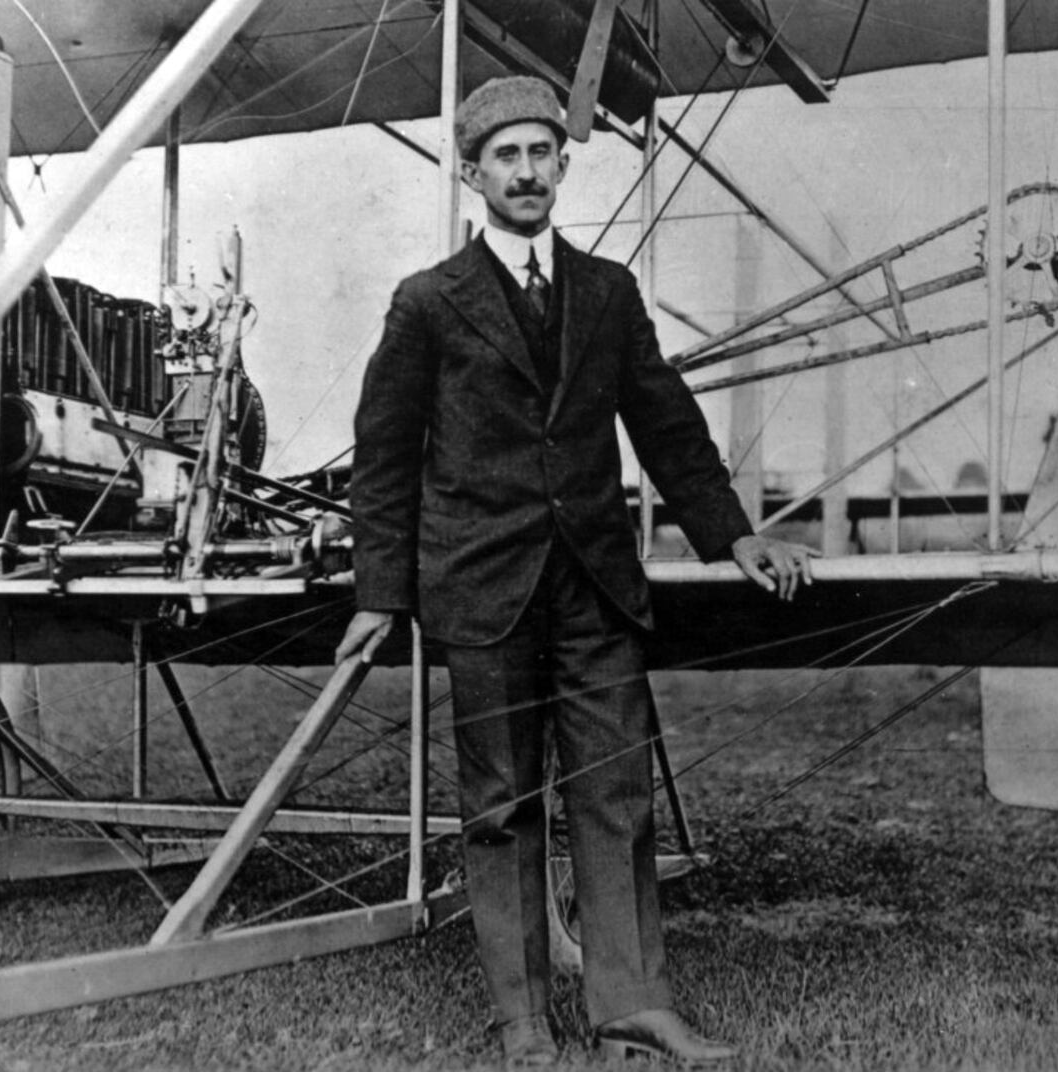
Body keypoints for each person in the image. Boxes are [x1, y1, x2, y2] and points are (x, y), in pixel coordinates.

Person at [336, 76, 816, 1068]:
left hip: (595, 584)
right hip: (482, 586)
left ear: (562, 163)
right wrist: (379, 593)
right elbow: (382, 457)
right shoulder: (426, 303)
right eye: (503, 157)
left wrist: (735, 535)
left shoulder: (607, 292)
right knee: (502, 805)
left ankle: (631, 1003)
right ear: (471, 174)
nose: (525, 172)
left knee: (616, 796)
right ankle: (522, 1018)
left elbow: (666, 425)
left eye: (540, 153)